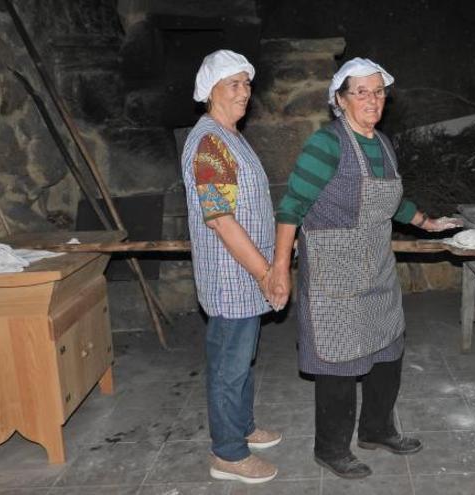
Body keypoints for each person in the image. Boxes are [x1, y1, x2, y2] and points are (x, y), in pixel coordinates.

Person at [267, 58, 461, 479]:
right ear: (340, 100)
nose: (372, 100)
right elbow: (291, 207)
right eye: (361, 92)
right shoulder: (327, 144)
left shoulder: (384, 144)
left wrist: (427, 222)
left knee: (388, 351)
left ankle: (377, 429)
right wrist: (280, 268)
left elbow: (394, 202)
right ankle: (332, 449)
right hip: (335, 272)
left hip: (376, 266)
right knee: (339, 362)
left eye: (378, 92)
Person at [180, 49, 281, 485]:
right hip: (231, 276)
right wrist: (266, 272)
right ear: (210, 91)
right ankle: (228, 453)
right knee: (229, 365)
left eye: (246, 83)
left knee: (241, 359)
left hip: (246, 273)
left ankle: (242, 427)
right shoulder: (209, 143)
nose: (243, 92)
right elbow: (221, 219)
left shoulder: (230, 136)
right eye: (233, 84)